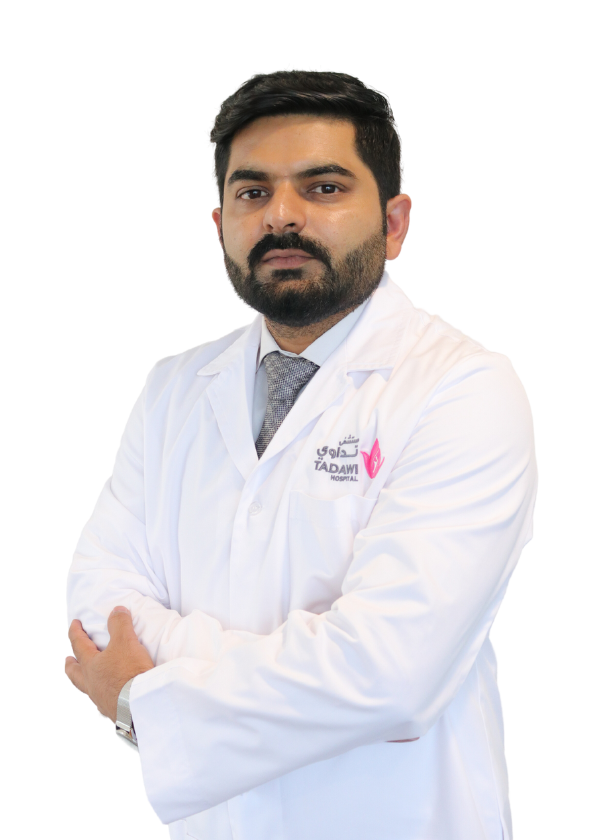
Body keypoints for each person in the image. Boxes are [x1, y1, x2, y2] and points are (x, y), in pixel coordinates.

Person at [64, 68, 538, 840]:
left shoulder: (465, 388)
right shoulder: (174, 385)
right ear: (219, 226)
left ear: (395, 222)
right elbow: (97, 597)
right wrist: (298, 680)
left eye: (323, 188)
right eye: (252, 192)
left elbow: (389, 673)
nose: (282, 215)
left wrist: (142, 698)